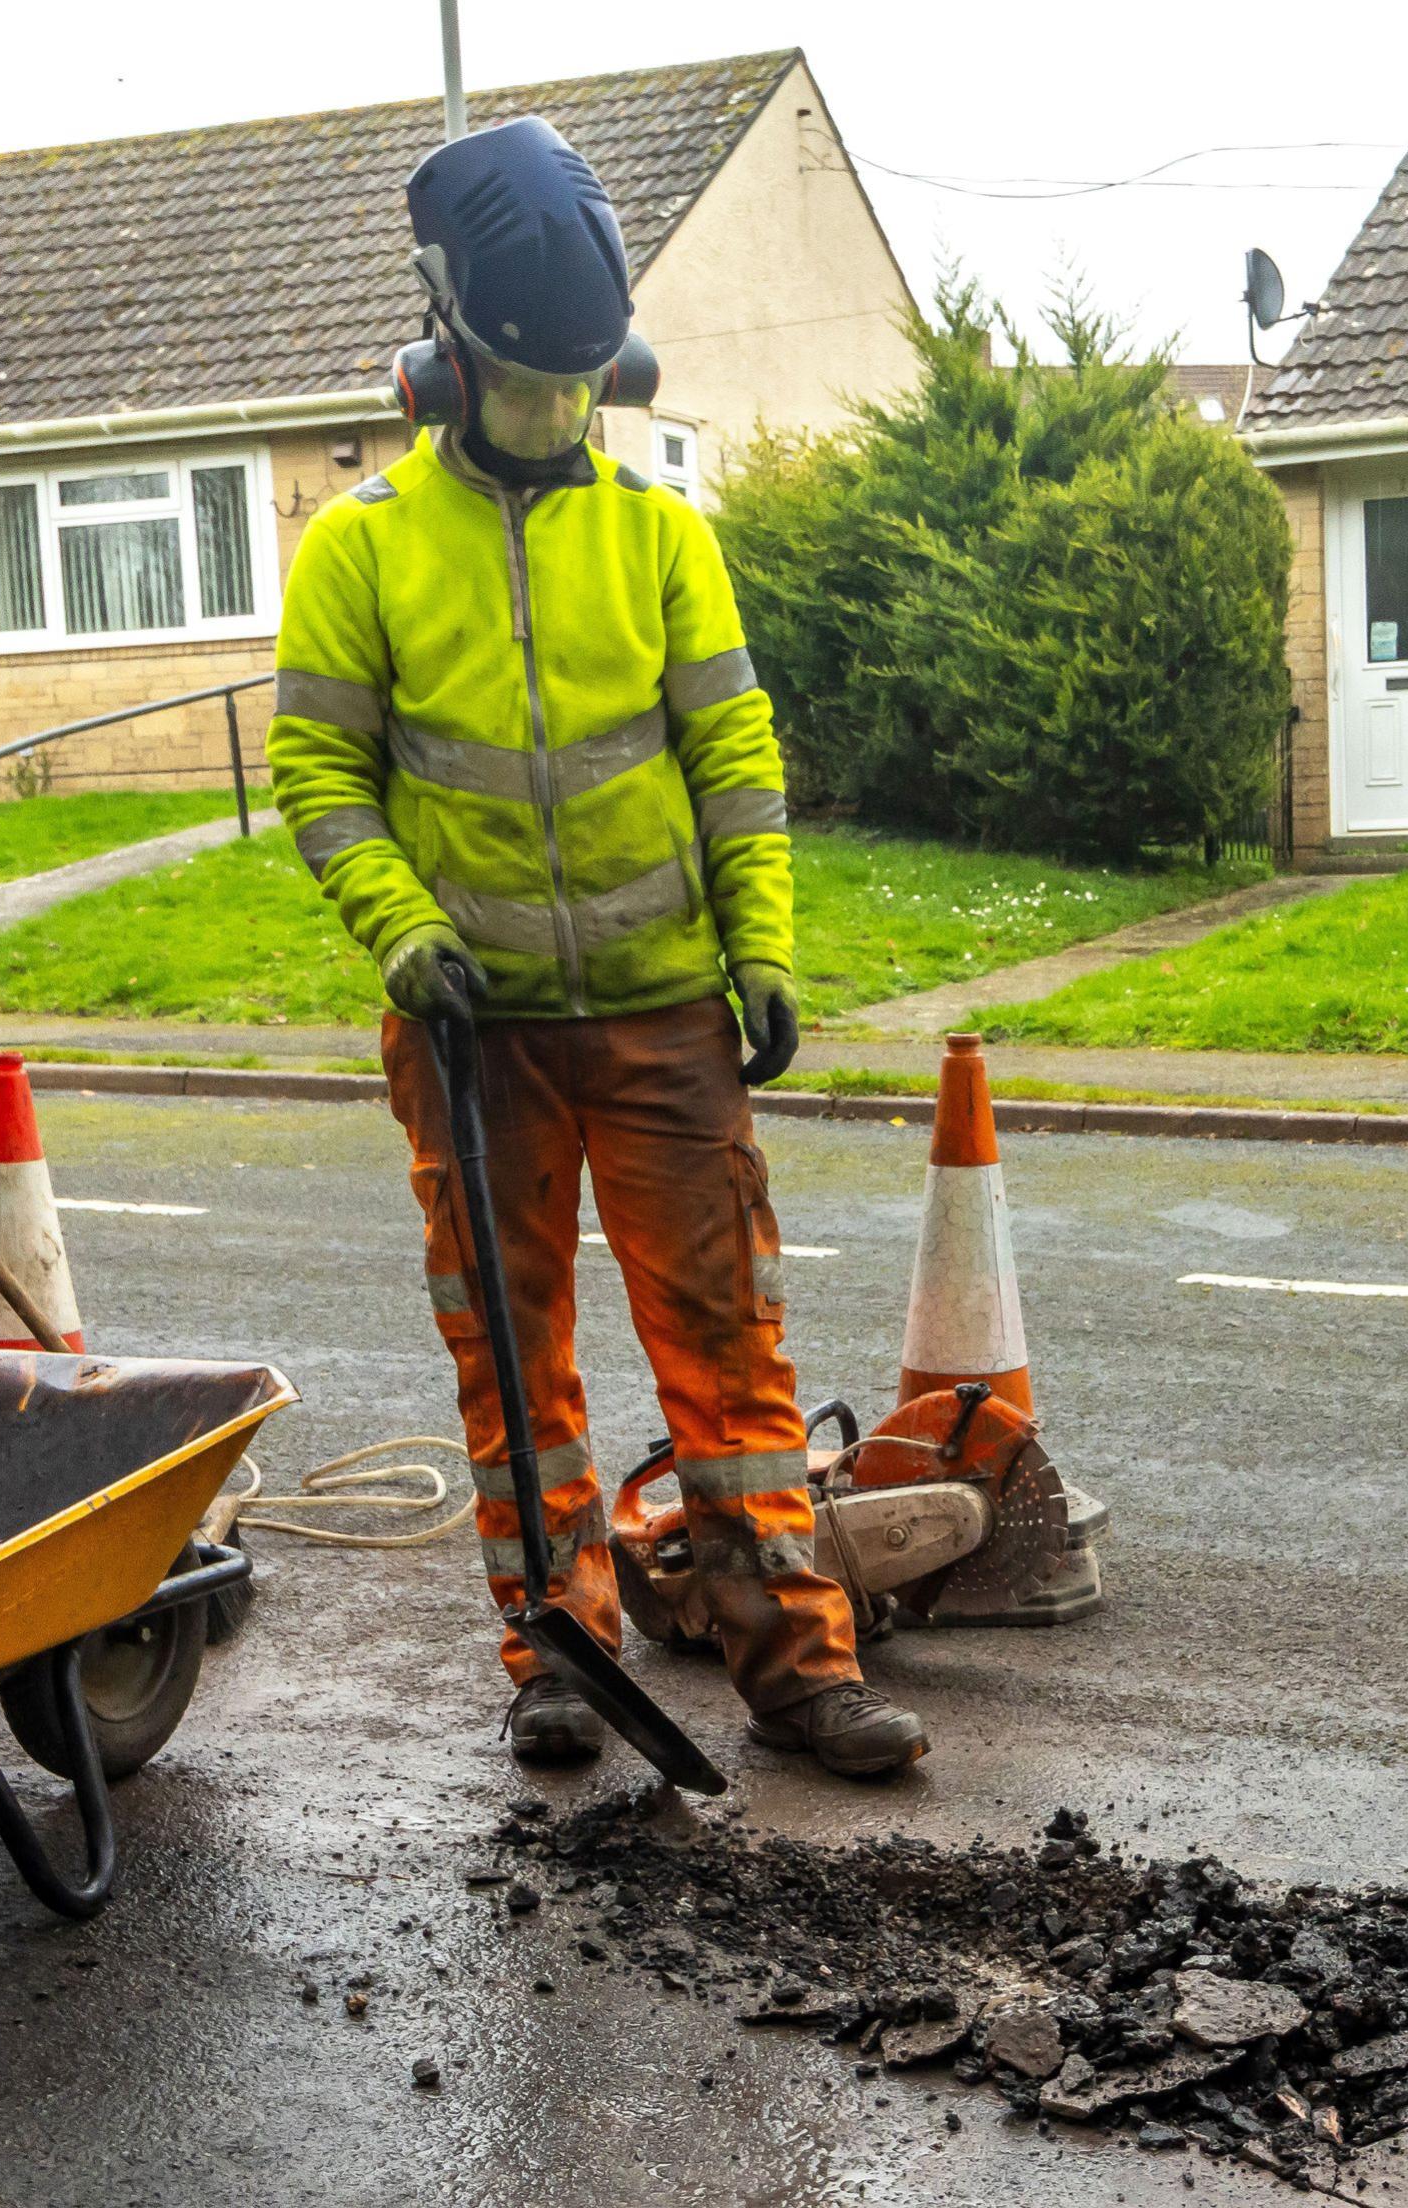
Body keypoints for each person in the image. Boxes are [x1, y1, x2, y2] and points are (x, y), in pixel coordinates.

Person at [267, 115, 925, 1779]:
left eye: (580, 388)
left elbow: (737, 762)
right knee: (515, 1365)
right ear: (452, 349)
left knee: (730, 1353)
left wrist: (762, 952)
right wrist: (405, 935)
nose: (560, 417)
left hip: (662, 1026)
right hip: (473, 1038)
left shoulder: (660, 537)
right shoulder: (360, 549)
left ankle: (798, 1663)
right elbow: (324, 781)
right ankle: (557, 1652)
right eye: (530, 386)